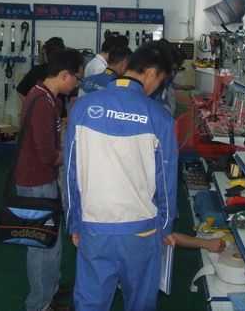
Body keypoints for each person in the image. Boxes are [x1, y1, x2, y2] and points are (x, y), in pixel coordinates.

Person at [65, 42, 178, 311]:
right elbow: (166, 182)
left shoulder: (82, 108)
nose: (157, 88)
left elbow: (70, 173)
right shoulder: (159, 118)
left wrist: (74, 222)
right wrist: (164, 228)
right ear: (151, 73)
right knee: (140, 303)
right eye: (160, 81)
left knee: (90, 303)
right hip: (142, 229)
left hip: (94, 225)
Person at [15, 49, 82, 311]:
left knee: (51, 242)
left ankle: (50, 291)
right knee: (41, 245)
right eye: (76, 78)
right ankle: (39, 304)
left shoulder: (45, 96)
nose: (76, 84)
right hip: (36, 182)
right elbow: (47, 154)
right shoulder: (43, 103)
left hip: (42, 179)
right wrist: (73, 154)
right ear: (65, 75)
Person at [17, 37, 66, 102]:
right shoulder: (65, 72)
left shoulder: (36, 70)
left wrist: (29, 105)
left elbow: (20, 91)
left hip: (45, 107)